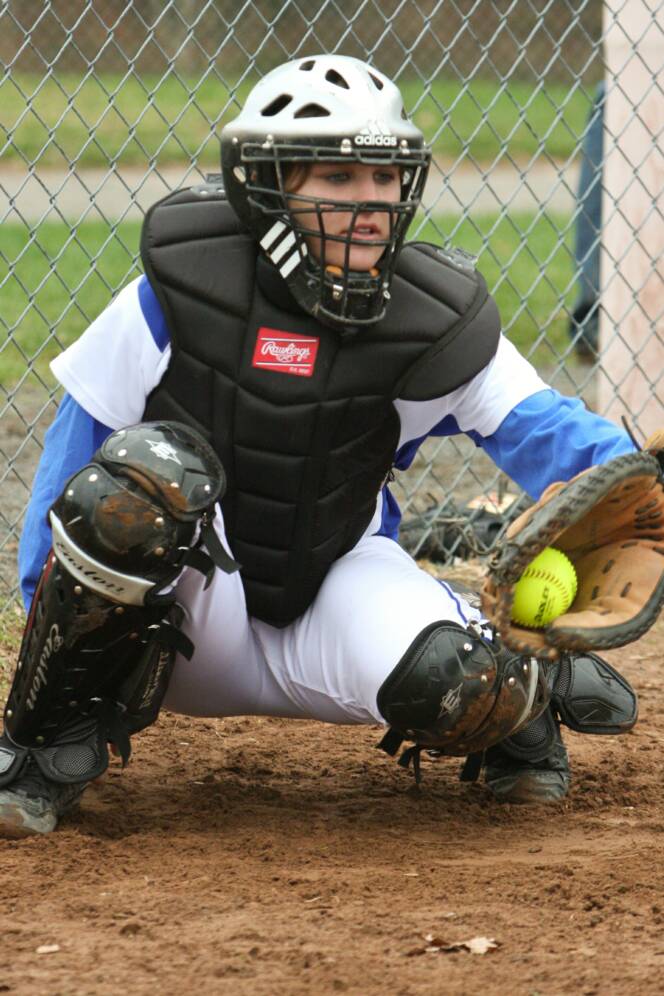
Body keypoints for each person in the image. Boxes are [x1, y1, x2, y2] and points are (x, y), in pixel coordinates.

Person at [0, 55, 638, 838]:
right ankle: (45, 752)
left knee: (459, 678)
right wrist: (56, 648)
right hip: (185, 627)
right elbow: (71, 468)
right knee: (136, 485)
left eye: (384, 178)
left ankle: (514, 711)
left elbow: (552, 435)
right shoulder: (181, 288)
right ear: (268, 182)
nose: (369, 204)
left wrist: (642, 481)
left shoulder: (428, 316)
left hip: (338, 586)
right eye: (338, 178)